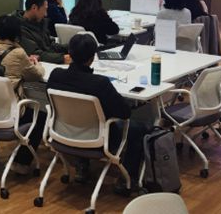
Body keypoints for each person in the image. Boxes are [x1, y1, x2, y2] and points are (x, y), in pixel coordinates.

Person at [47, 34, 149, 192]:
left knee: (80, 117)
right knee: (138, 129)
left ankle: (82, 166)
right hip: (99, 137)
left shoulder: (56, 76)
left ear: (70, 53)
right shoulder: (100, 83)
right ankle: (127, 180)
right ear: (92, 57)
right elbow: (124, 113)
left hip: (63, 132)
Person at [0, 15, 46, 174]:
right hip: (10, 112)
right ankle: (21, 162)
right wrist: (36, 63)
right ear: (16, 33)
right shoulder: (18, 53)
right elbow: (36, 75)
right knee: (41, 115)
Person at [12, 0, 70, 64]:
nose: (46, 14)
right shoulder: (18, 28)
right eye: (45, 9)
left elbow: (50, 45)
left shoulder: (40, 23)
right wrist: (62, 58)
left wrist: (71, 47)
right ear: (34, 8)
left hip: (46, 62)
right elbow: (36, 54)